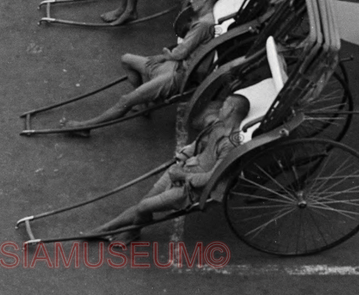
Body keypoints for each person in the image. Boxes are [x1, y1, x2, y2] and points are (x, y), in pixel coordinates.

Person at [63, 0, 221, 134]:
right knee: (126, 59)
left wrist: (165, 53)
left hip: (178, 74)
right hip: (173, 65)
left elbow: (179, 53)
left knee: (125, 101)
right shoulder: (203, 21)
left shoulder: (203, 25)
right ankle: (144, 104)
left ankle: (85, 126)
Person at [87, 94, 251, 240]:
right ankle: (118, 230)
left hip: (192, 188)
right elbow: (197, 144)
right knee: (144, 203)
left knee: (144, 207)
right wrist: (183, 156)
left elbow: (211, 178)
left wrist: (183, 176)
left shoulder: (231, 145)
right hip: (184, 169)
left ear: (231, 110)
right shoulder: (217, 124)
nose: (220, 108)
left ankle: (108, 229)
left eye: (224, 105)